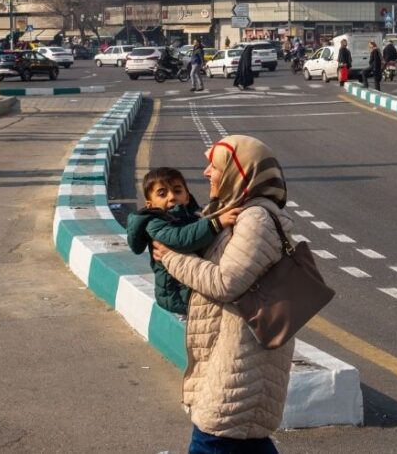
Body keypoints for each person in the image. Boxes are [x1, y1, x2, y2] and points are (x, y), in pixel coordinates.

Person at [151, 136, 295, 454]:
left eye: (214, 167)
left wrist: (171, 258)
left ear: (238, 172)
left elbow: (226, 283)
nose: (206, 173)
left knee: (214, 435)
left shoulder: (255, 219)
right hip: (237, 354)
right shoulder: (236, 212)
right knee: (243, 439)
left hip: (242, 358)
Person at [126, 168, 239, 315]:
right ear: (150, 204)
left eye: (177, 191)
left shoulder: (193, 217)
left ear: (187, 196)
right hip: (177, 295)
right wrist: (216, 223)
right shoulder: (155, 223)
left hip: (194, 287)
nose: (172, 197)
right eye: (162, 194)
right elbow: (181, 239)